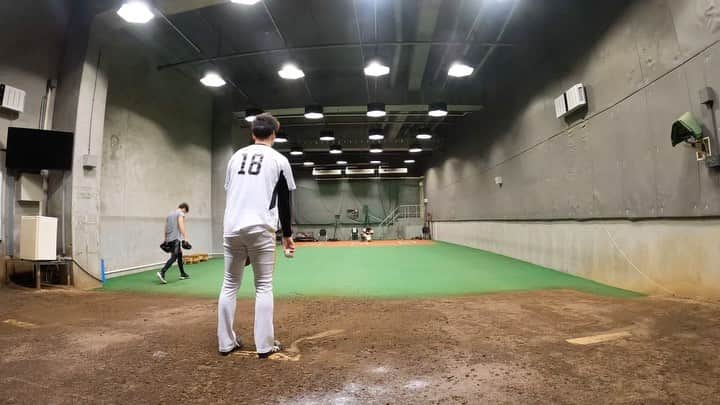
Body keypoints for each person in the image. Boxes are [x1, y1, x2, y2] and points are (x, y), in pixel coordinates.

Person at [217, 113, 296, 359]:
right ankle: (264, 346)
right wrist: (287, 235)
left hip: (231, 228)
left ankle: (226, 343)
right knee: (263, 286)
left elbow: (231, 192)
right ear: (275, 133)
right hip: (260, 227)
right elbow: (284, 201)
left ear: (252, 134)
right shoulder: (279, 159)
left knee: (229, 284)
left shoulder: (235, 157)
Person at [157, 203, 191, 284]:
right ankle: (162, 272)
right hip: (175, 239)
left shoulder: (170, 214)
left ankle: (182, 273)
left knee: (179, 254)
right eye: (185, 212)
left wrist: (165, 239)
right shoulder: (180, 213)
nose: (184, 214)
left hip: (169, 239)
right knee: (174, 257)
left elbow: (166, 227)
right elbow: (181, 225)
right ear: (184, 209)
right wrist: (185, 238)